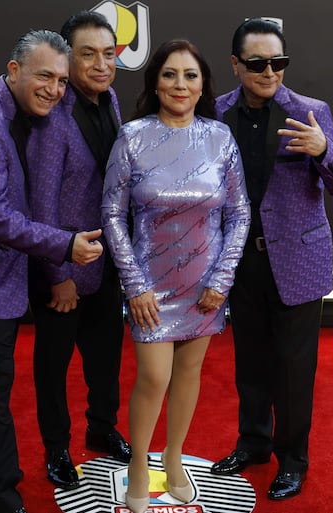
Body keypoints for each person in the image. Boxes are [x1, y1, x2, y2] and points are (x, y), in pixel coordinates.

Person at [0, 30, 104, 513]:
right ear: (14, 71)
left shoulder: (17, 112)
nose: (55, 89)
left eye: (62, 81)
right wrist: (65, 245)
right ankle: (1, 495)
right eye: (44, 76)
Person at [209, 18, 333, 501]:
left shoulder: (311, 112)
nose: (269, 71)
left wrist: (323, 151)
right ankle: (253, 444)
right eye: (257, 63)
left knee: (294, 371)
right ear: (236, 65)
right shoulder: (215, 115)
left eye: (279, 62)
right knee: (250, 363)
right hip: (242, 263)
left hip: (297, 263)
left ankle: (293, 460)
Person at [101, 40, 250, 513]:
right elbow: (111, 214)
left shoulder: (220, 138)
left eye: (190, 75)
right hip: (150, 284)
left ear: (203, 82)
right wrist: (135, 284)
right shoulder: (132, 136)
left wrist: (222, 279)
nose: (180, 85)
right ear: (155, 83)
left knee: (189, 373)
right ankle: (141, 463)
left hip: (206, 285)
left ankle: (174, 456)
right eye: (169, 74)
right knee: (154, 375)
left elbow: (239, 213)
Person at [26, 11, 130, 491]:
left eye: (108, 54)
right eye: (87, 54)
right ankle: (57, 451)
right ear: (69, 58)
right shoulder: (53, 113)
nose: (101, 64)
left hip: (107, 263)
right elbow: (41, 201)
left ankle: (102, 428)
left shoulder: (110, 101)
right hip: (64, 267)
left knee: (106, 356)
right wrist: (57, 274)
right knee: (53, 365)